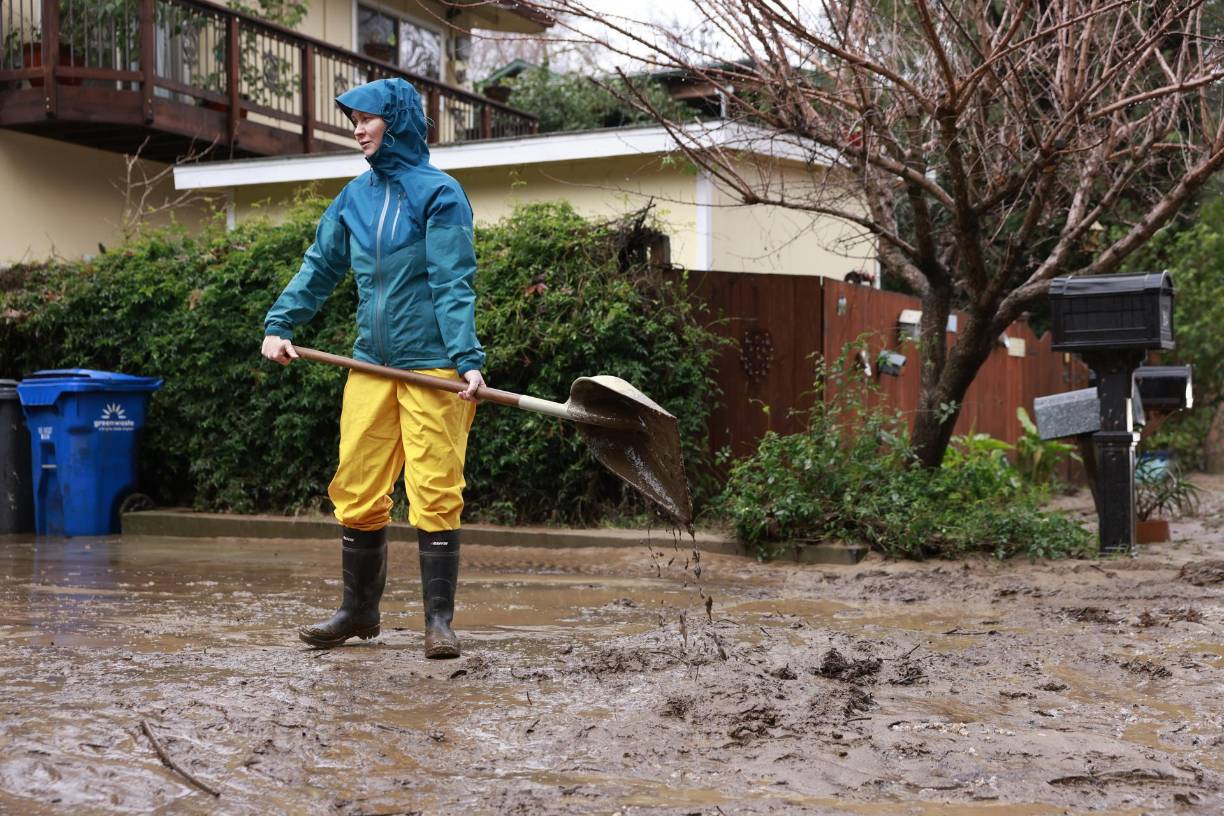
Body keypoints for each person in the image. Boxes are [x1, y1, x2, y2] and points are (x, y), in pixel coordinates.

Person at [260, 78, 485, 659]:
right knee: (357, 487)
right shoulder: (352, 198)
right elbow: (320, 267)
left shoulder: (440, 194)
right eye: (353, 120)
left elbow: (452, 282)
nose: (357, 129)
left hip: (431, 368)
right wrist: (281, 323)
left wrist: (467, 361)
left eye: (368, 118)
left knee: (435, 489)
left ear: (398, 121)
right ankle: (359, 612)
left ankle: (438, 623)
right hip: (370, 365)